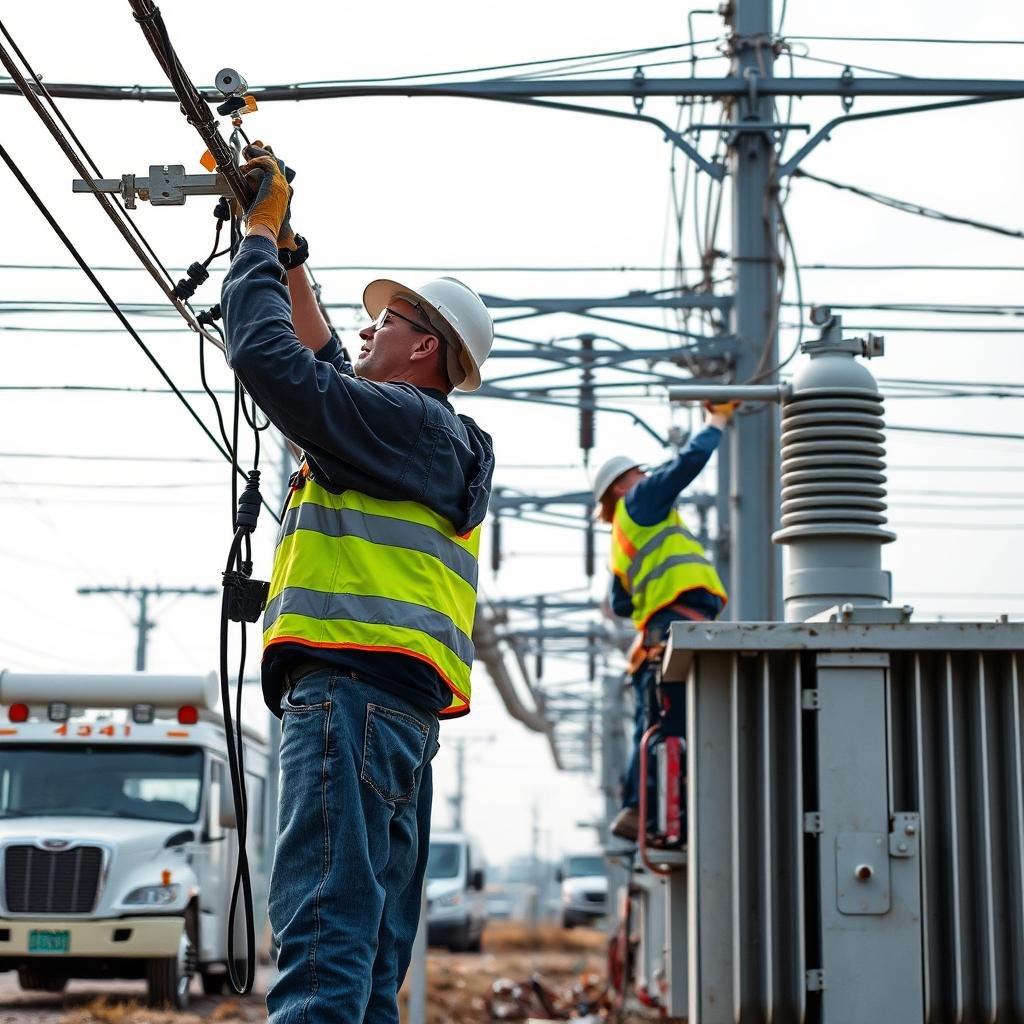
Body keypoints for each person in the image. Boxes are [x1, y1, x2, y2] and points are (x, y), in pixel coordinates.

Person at [220, 145, 495, 1023]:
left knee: (322, 943)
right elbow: (328, 357)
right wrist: (293, 251)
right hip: (395, 718)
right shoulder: (420, 435)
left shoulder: (400, 424)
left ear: (424, 348)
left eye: (389, 323)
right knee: (367, 956)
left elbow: (272, 359)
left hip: (347, 700)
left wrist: (256, 244)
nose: (367, 330)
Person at [592, 403, 736, 842]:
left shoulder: (622, 538)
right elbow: (687, 465)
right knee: (668, 724)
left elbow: (619, 602)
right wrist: (717, 422)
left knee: (658, 721)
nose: (645, 478)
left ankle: (644, 810)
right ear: (620, 486)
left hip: (660, 634)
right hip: (676, 624)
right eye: (638, 473)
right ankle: (646, 811)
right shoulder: (639, 502)